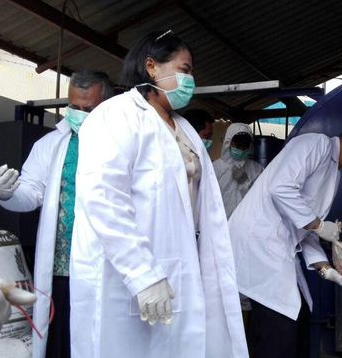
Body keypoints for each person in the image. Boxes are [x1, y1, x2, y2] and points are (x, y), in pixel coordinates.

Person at [70, 30, 248, 358]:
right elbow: (103, 197)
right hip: (127, 277)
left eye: (191, 71)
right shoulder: (116, 116)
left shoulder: (185, 129)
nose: (190, 79)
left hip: (180, 263)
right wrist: (141, 273)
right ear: (152, 67)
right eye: (184, 69)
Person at [0, 70, 114, 358]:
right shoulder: (51, 144)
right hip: (63, 269)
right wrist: (4, 193)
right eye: (73, 107)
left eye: (88, 109)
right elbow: (30, 192)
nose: (79, 115)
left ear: (106, 105)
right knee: (61, 341)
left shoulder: (123, 143)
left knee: (104, 340)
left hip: (108, 269)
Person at [229, 120, 342, 358]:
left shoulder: (333, 173)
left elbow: (306, 228)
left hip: (279, 248)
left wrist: (326, 270)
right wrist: (319, 225)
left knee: (298, 318)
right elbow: (280, 188)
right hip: (259, 244)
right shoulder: (315, 145)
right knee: (278, 326)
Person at [213, 123, 264, 218]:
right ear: (228, 142)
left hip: (245, 223)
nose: (241, 149)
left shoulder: (256, 169)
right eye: (238, 145)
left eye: (245, 146)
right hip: (221, 223)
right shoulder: (216, 168)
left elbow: (260, 199)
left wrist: (245, 182)